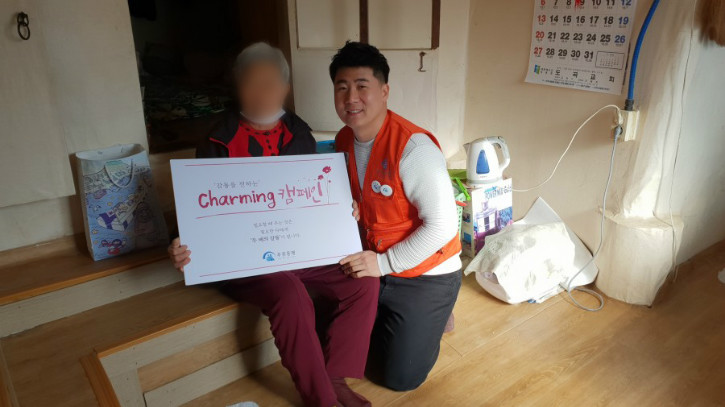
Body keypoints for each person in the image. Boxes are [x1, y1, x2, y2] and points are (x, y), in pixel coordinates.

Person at [168, 43, 377, 407]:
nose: (262, 93)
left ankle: (333, 377)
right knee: (288, 292)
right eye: (251, 83)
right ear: (237, 86)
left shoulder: (300, 134)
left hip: (299, 249)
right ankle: (321, 399)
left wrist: (341, 211)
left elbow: (312, 198)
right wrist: (180, 242)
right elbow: (199, 210)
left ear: (285, 88)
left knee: (363, 279)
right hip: (245, 258)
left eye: (271, 83)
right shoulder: (216, 139)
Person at [333, 42, 463, 391]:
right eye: (342, 88)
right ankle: (414, 320)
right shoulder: (343, 141)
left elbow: (443, 226)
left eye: (362, 86)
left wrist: (384, 263)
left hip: (426, 273)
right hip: (374, 262)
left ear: (384, 91)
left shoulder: (414, 149)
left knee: (397, 377)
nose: (351, 98)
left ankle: (436, 314)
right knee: (343, 349)